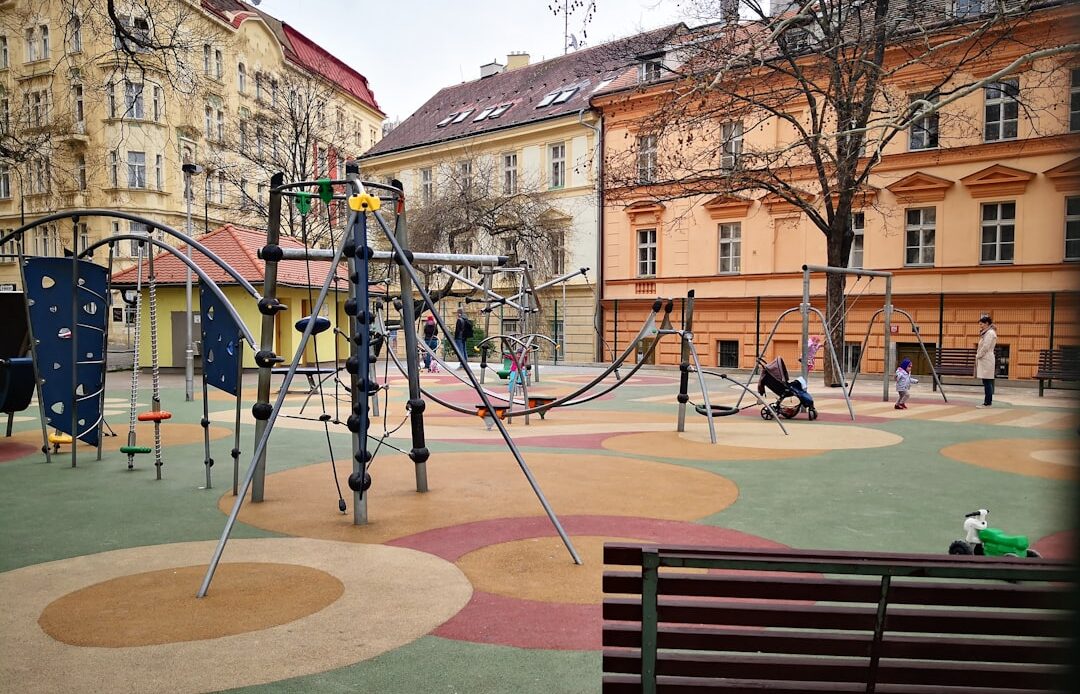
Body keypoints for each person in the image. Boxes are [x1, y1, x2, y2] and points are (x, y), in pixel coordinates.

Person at [975, 314, 997, 408]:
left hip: (986, 358)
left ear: (987, 323)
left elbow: (986, 347)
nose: (980, 326)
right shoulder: (987, 333)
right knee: (986, 381)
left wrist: (978, 355)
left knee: (987, 381)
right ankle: (987, 402)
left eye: (981, 324)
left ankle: (987, 403)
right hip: (985, 358)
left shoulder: (990, 333)